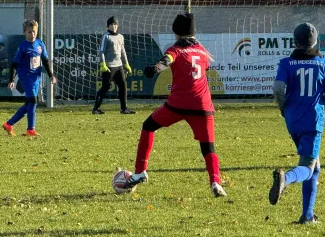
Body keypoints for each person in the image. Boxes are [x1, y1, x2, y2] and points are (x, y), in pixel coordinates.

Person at [124, 13, 227, 197]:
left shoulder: (176, 50)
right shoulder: (203, 52)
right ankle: (216, 183)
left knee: (148, 126)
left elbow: (167, 61)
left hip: (178, 104)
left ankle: (140, 172)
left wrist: (155, 68)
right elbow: (202, 68)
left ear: (177, 33)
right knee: (208, 148)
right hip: (203, 106)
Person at [269, 22, 325, 224]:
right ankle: (286, 179)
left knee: (314, 167)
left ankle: (307, 216)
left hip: (292, 119)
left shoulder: (286, 63)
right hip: (313, 121)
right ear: (315, 41)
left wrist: (285, 108)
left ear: (294, 41)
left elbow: (278, 89)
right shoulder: (323, 63)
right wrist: (316, 103)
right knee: (307, 167)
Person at [2, 20, 57, 137]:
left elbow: (45, 61)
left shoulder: (40, 44)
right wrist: (11, 80)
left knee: (30, 103)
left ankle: (9, 124)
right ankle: (30, 129)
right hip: (25, 76)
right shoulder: (23, 47)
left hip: (36, 77)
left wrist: (51, 75)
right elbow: (14, 64)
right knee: (33, 100)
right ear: (24, 33)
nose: (32, 34)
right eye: (29, 32)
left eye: (34, 32)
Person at [92, 16, 135, 114]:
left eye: (115, 24)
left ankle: (124, 108)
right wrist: (103, 64)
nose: (114, 26)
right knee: (106, 87)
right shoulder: (106, 37)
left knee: (123, 85)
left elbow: (123, 51)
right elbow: (101, 51)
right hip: (109, 66)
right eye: (112, 24)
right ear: (108, 26)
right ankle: (95, 109)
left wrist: (126, 64)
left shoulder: (120, 37)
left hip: (119, 65)